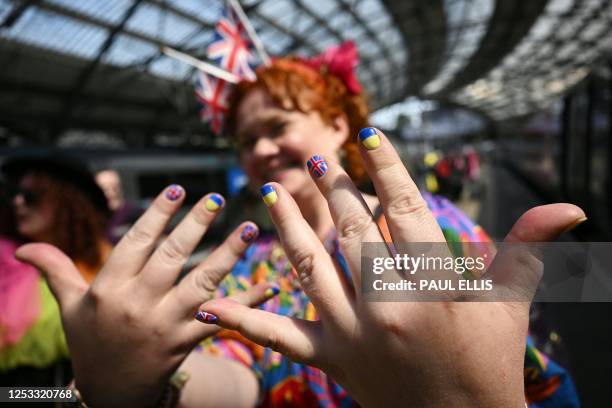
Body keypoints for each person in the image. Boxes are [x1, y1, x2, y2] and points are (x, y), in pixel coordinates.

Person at [15, 44, 584, 407]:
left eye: (278, 125)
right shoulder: (254, 258)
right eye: (244, 140)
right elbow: (241, 377)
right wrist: (147, 383)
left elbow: (492, 351)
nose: (261, 148)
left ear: (339, 125)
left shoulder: (424, 229)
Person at [0, 155, 112, 384]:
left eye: (32, 196)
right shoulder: (5, 262)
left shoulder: (106, 265)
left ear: (67, 202)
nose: (18, 202)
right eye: (15, 194)